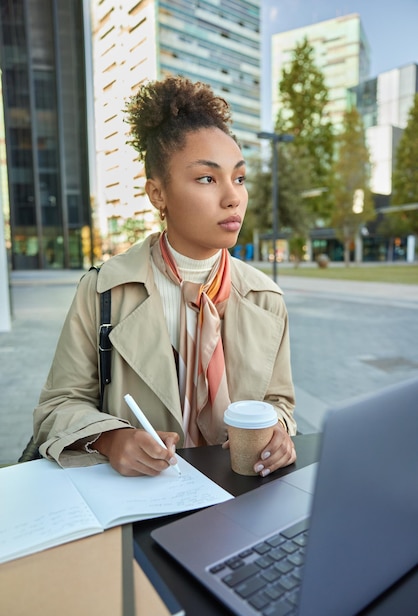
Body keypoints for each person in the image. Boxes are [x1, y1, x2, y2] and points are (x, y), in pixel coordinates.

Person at [33, 75, 297, 477]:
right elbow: (58, 405)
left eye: (239, 177)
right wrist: (110, 438)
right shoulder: (103, 289)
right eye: (207, 178)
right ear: (158, 194)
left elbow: (279, 401)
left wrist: (278, 430)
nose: (233, 196)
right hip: (140, 504)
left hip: (239, 495)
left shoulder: (266, 297)